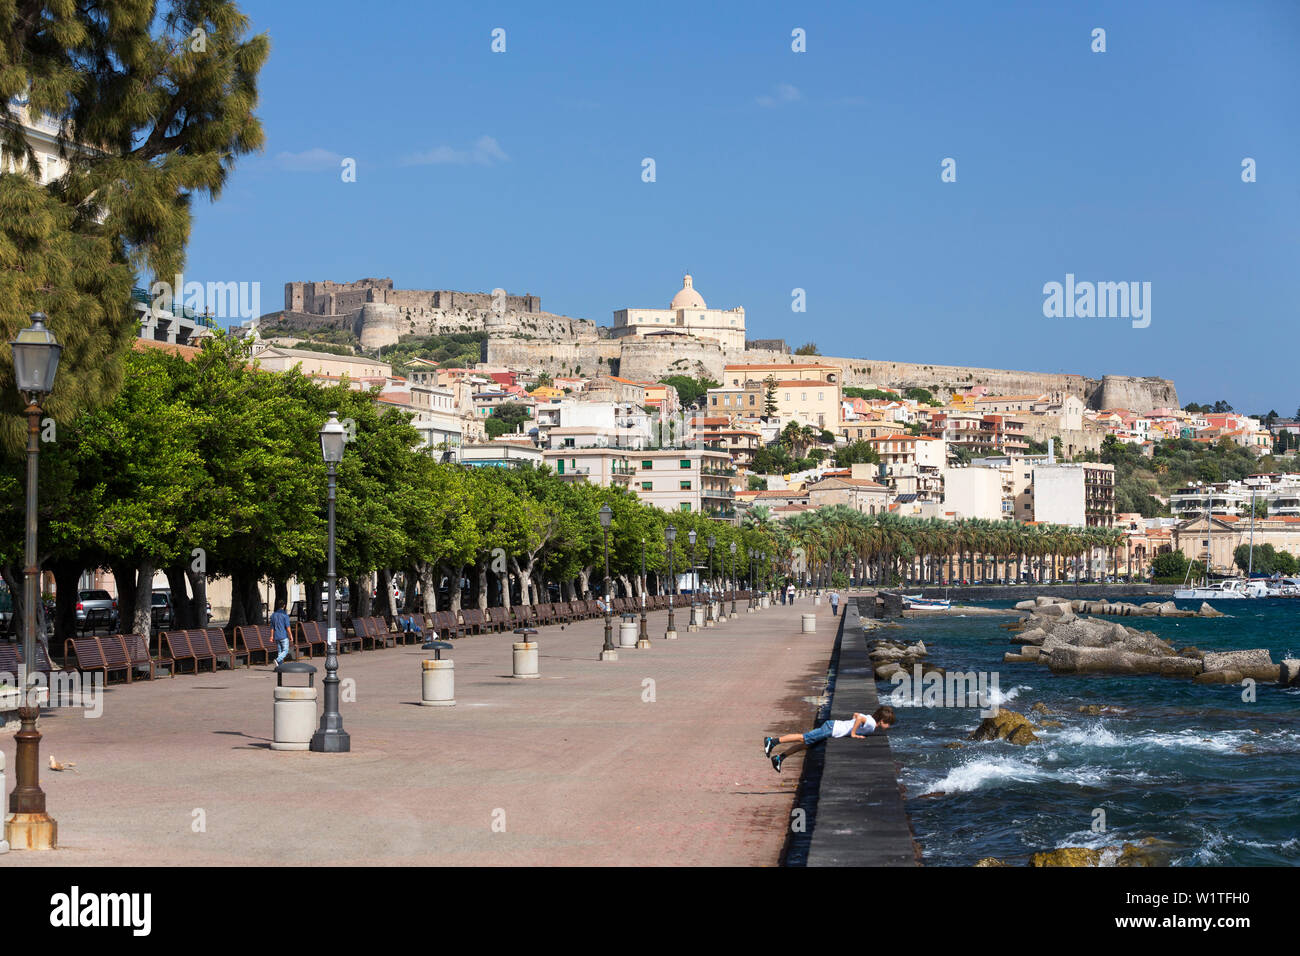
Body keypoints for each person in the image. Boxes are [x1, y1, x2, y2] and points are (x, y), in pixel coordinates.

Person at [763, 706, 895, 772]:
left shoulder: (870, 719)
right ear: (882, 720)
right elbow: (859, 718)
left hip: (832, 727)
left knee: (806, 744)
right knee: (803, 737)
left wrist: (850, 726)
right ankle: (772, 741)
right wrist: (853, 733)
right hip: (832, 729)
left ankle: (780, 758)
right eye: (888, 723)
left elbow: (856, 715)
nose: (888, 726)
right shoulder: (871, 725)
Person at [270, 599, 293, 665]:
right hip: (283, 635)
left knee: (280, 651)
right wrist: (290, 635)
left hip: (276, 636)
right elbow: (288, 627)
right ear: (284, 605)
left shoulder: (273, 615)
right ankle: (277, 660)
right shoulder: (285, 615)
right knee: (285, 650)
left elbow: (272, 627)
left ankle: (280, 666)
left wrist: (271, 636)